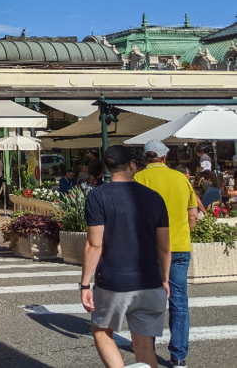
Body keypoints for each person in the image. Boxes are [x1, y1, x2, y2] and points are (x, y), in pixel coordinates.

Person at [81, 145, 171, 368]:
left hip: (113, 281)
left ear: (107, 168)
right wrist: (165, 279)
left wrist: (84, 285)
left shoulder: (98, 196)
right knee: (144, 347)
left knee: (101, 331)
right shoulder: (154, 198)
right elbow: (165, 247)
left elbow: (94, 244)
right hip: (150, 281)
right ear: (132, 165)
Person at [135, 140, 199, 368]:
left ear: (145, 158)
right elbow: (193, 215)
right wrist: (183, 233)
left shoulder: (139, 179)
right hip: (179, 247)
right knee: (179, 300)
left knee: (148, 301)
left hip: (149, 247)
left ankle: (147, 352)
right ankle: (179, 356)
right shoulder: (181, 179)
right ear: (165, 156)